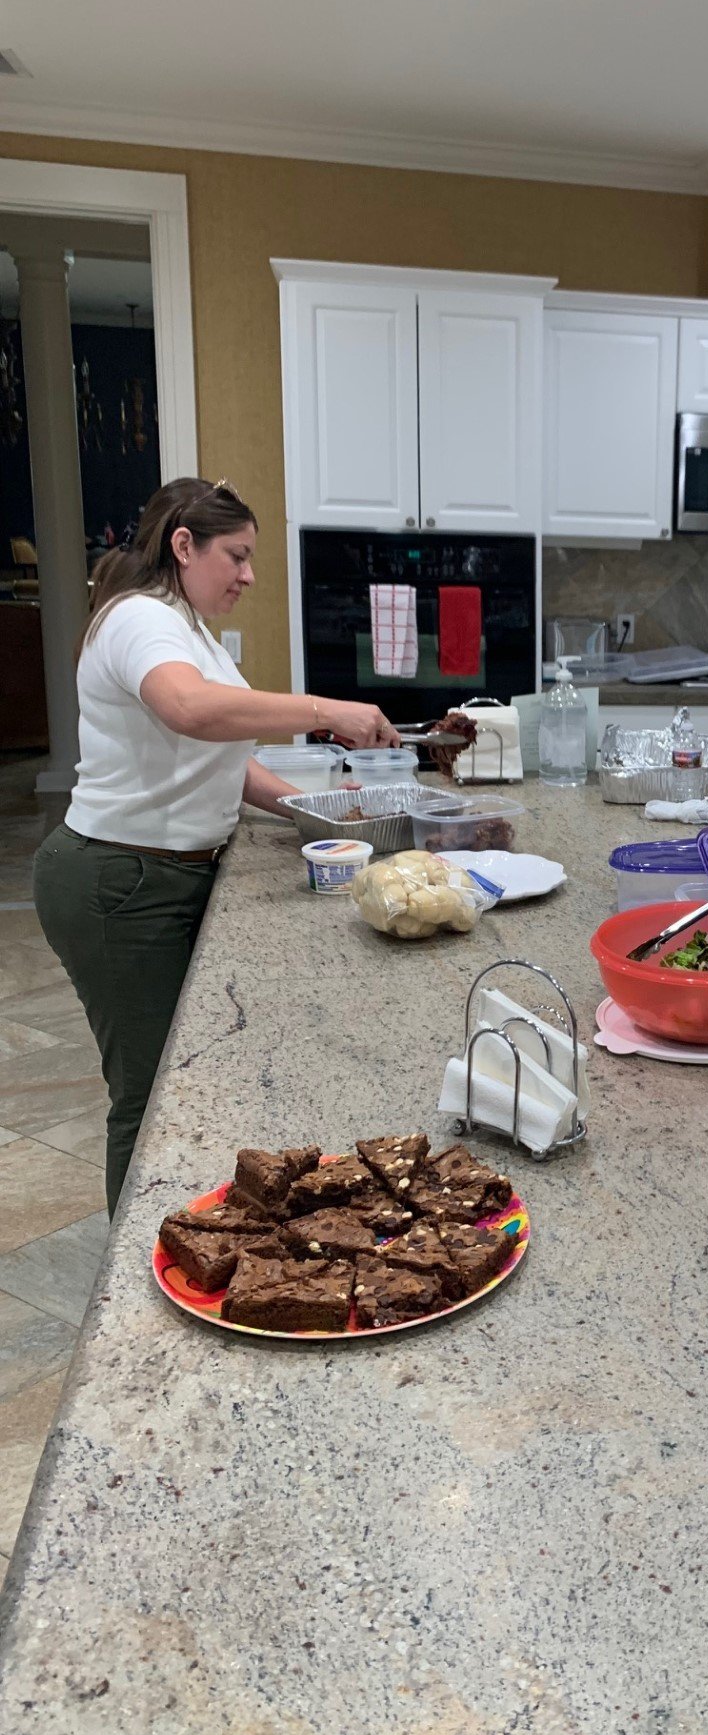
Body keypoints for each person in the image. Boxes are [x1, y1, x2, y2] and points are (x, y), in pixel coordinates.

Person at [33, 476, 403, 1216]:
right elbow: (190, 711)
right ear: (183, 545)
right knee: (149, 1098)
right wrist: (326, 710)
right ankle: (138, 1271)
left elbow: (222, 758)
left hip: (157, 876)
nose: (249, 575)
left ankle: (191, 1235)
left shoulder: (186, 629)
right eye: (236, 555)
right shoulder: (140, 617)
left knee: (186, 1083)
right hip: (118, 883)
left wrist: (319, 813)